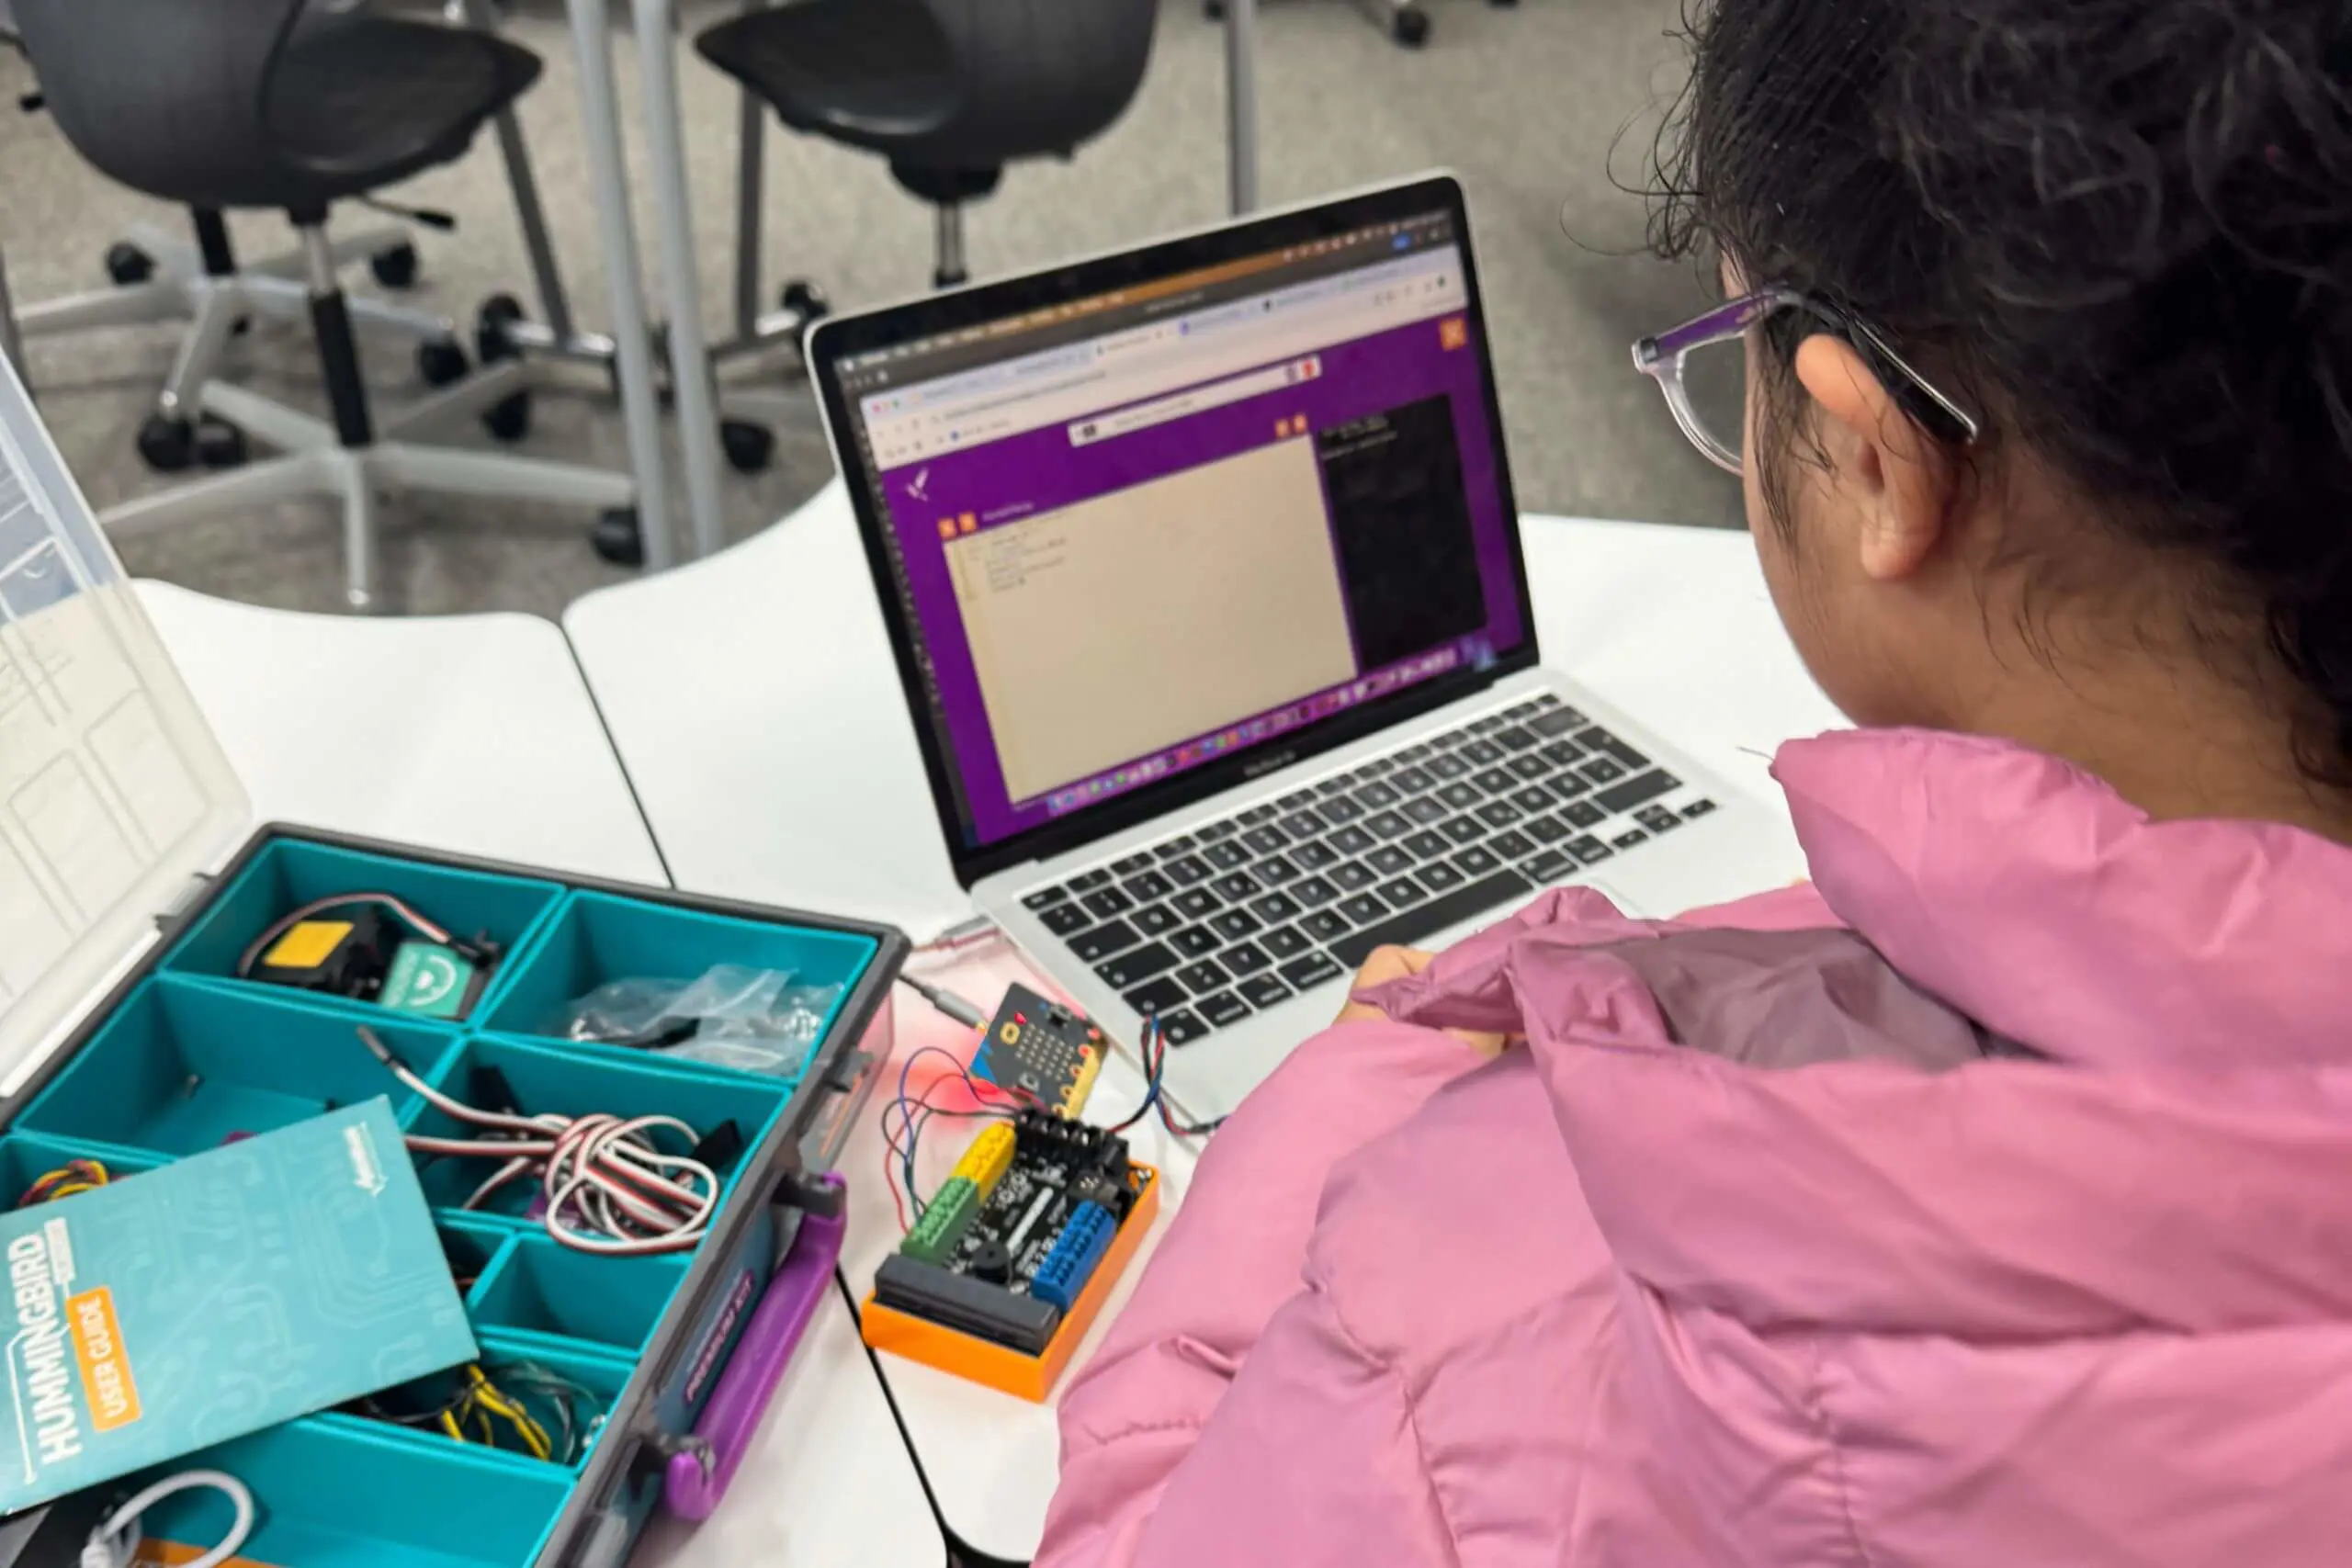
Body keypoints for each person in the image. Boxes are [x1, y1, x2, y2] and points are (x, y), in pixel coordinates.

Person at [1034, 1, 2352, 1563]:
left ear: (1875, 460)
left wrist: (1357, 1074)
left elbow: (1142, 1533)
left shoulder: (1468, 1333)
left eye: (1737, 350)